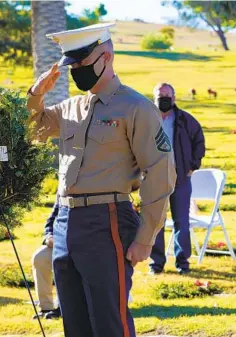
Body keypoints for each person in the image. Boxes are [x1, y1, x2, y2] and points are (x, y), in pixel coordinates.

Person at [26, 23, 176, 337]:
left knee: (109, 322)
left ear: (106, 57)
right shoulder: (70, 108)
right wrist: (36, 94)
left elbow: (160, 172)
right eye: (72, 66)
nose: (75, 71)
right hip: (66, 221)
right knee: (75, 323)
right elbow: (32, 130)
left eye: (81, 63)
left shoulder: (136, 107)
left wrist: (146, 237)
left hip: (107, 219)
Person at [149, 83, 206, 275]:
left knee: (182, 222)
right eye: (160, 95)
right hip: (155, 179)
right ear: (154, 97)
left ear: (174, 98)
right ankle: (156, 264)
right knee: (156, 222)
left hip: (180, 178)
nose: (163, 98)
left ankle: (183, 264)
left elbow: (199, 141)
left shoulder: (185, 120)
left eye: (167, 95)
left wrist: (193, 165)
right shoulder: (147, 119)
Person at [31, 200, 61, 320]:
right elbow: (51, 221)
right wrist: (49, 237)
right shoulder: (62, 190)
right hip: (60, 242)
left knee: (63, 262)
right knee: (40, 257)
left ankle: (62, 308)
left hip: (83, 245)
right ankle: (46, 307)